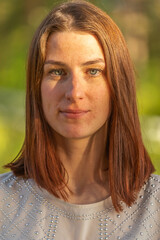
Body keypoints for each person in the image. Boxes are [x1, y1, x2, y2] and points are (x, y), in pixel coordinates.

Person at [0, 0, 159, 239]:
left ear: (118, 83)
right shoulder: (3, 204)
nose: (74, 92)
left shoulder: (155, 206)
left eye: (93, 71)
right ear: (36, 86)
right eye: (56, 71)